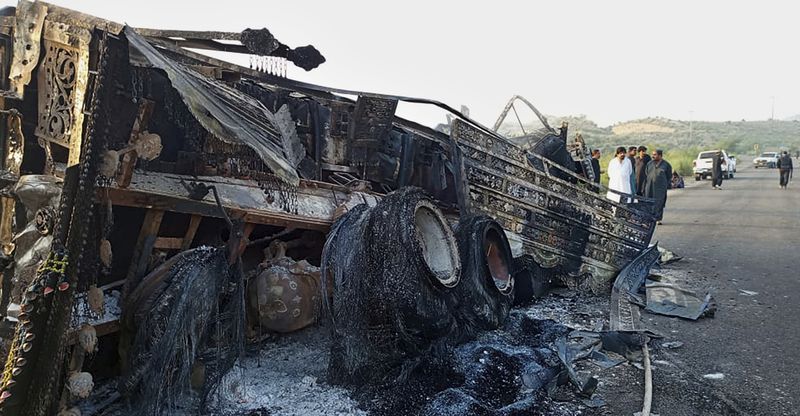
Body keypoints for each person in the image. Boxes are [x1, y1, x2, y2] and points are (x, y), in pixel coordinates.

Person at [643, 149, 672, 225]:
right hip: (649, 186)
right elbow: (646, 173)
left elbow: (669, 176)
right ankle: (649, 218)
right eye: (652, 154)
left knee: (659, 203)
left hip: (660, 188)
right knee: (649, 202)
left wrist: (664, 184)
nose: (653, 156)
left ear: (660, 155)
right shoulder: (649, 164)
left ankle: (658, 219)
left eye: (655, 155)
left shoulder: (666, 165)